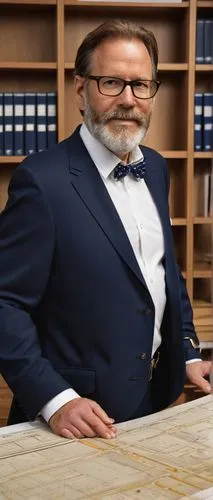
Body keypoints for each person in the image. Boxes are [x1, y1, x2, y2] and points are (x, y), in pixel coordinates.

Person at [0, 20, 212, 440]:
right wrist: (57, 399)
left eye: (141, 85)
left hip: (156, 399)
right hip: (77, 416)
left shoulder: (155, 167)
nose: (128, 100)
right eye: (111, 82)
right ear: (81, 90)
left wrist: (187, 352)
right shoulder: (41, 181)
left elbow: (163, 272)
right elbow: (5, 303)